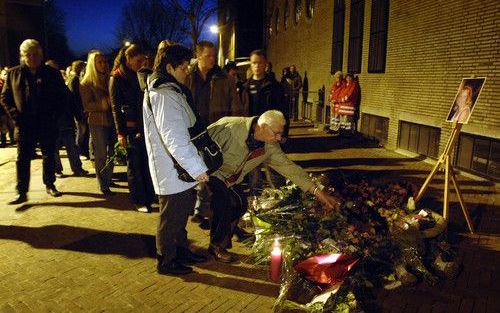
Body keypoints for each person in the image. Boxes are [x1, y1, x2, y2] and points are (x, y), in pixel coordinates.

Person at [206, 110, 340, 263]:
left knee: (240, 204)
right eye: (276, 133)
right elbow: (202, 141)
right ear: (263, 126)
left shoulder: (269, 146)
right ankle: (217, 246)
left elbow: (290, 168)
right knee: (225, 202)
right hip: (211, 172)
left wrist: (318, 192)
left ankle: (222, 238)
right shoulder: (231, 127)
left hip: (231, 179)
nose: (279, 138)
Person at [143, 43, 209, 275]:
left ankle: (180, 250)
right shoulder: (163, 94)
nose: (187, 72)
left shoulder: (171, 90)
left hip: (178, 166)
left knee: (180, 213)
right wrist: (196, 167)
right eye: (183, 67)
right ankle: (166, 259)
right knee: (171, 216)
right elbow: (174, 136)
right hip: (172, 167)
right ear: (169, 67)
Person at [184, 40, 242, 228]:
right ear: (198, 56)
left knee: (214, 170)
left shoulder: (224, 78)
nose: (212, 59)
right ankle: (201, 208)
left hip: (216, 130)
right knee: (200, 169)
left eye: (213, 55)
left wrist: (234, 128)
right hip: (194, 130)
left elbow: (235, 104)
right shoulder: (188, 77)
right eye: (208, 55)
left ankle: (204, 210)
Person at [0, 39, 66, 204]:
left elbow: (62, 97)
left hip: (46, 122)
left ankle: (50, 184)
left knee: (48, 155)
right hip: (24, 124)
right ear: (22, 56)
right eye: (28, 55)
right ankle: (21, 191)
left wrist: (54, 116)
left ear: (41, 55)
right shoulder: (14, 73)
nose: (32, 58)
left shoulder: (52, 73)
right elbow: (5, 98)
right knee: (22, 158)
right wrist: (15, 116)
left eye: (35, 54)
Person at [110, 44, 155, 213]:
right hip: (129, 127)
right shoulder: (117, 77)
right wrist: (120, 132)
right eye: (138, 60)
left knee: (146, 162)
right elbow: (115, 108)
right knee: (134, 166)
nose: (142, 63)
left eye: (144, 60)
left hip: (144, 125)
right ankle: (138, 199)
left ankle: (149, 195)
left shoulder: (142, 75)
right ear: (128, 59)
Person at [80, 50, 116, 196]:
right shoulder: (86, 83)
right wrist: (104, 102)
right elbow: (86, 105)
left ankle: (108, 178)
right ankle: (103, 184)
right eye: (99, 62)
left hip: (112, 120)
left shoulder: (110, 79)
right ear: (92, 65)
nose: (103, 64)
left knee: (112, 152)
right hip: (97, 122)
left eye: (104, 61)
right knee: (101, 154)